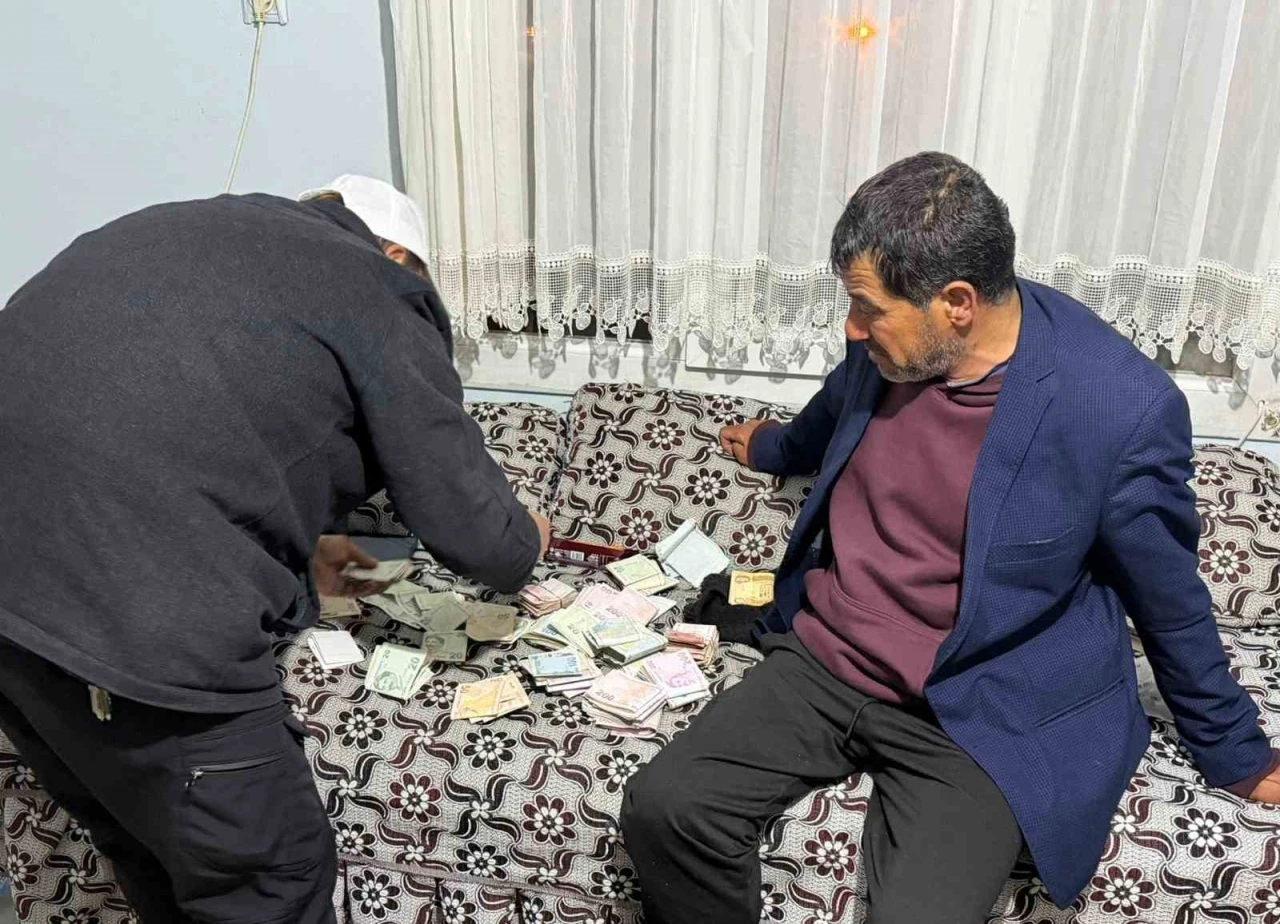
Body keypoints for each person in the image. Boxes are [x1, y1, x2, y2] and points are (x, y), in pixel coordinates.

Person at [621, 152, 1279, 924]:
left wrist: (1234, 750)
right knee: (665, 806)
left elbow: (1167, 597)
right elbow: (833, 414)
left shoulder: (1116, 406)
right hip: (826, 664)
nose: (851, 327)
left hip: (980, 704)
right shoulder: (887, 348)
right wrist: (772, 446)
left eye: (867, 308)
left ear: (956, 303)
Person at [0, 175, 550, 923]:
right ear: (397, 254)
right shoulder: (374, 282)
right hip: (135, 623)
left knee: (148, 847)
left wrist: (340, 570)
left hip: (16, 609)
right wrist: (528, 535)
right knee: (272, 877)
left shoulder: (190, 225)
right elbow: (482, 540)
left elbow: (200, 459)